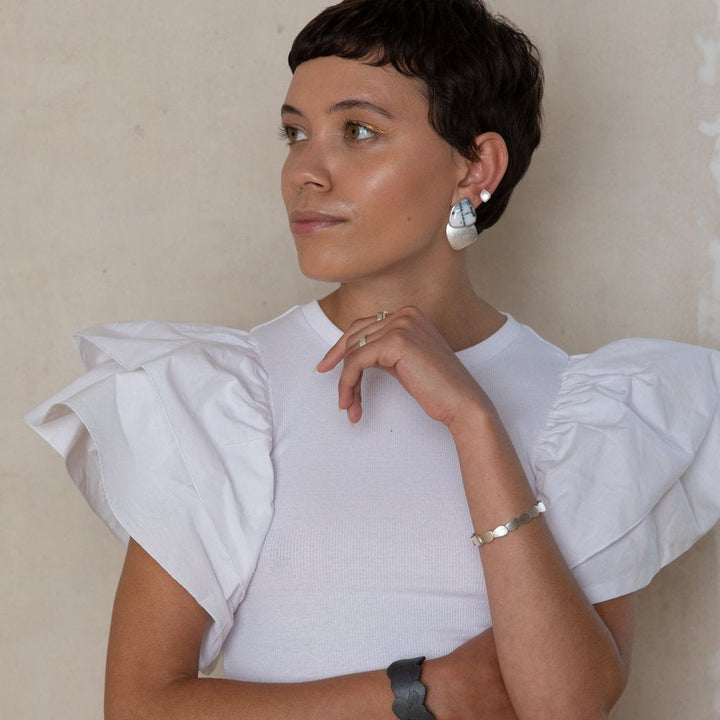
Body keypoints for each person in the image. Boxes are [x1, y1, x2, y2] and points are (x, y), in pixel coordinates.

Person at [25, 1, 720, 718]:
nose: (306, 172)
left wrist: (473, 419)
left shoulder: (590, 409)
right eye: (296, 133)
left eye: (358, 131)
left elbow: (565, 705)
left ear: (476, 165)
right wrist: (416, 692)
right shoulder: (224, 395)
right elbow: (138, 707)